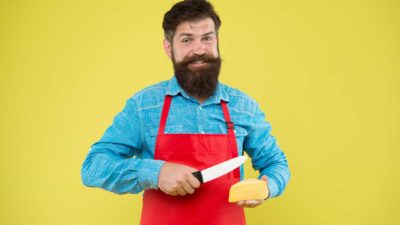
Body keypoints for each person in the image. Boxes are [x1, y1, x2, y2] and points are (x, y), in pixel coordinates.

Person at [81, 0, 290, 224]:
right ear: (168, 48)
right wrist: (156, 172)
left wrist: (267, 187)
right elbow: (93, 167)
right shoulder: (144, 106)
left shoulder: (242, 107)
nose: (199, 49)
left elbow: (276, 163)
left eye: (207, 38)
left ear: (217, 41)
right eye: (187, 40)